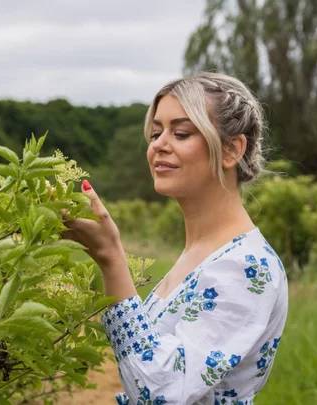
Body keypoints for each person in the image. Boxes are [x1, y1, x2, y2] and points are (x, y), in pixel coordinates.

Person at [61, 72, 288, 405]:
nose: (159, 145)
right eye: (156, 132)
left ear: (231, 149)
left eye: (181, 133)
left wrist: (111, 257)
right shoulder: (202, 253)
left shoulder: (246, 267)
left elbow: (161, 392)